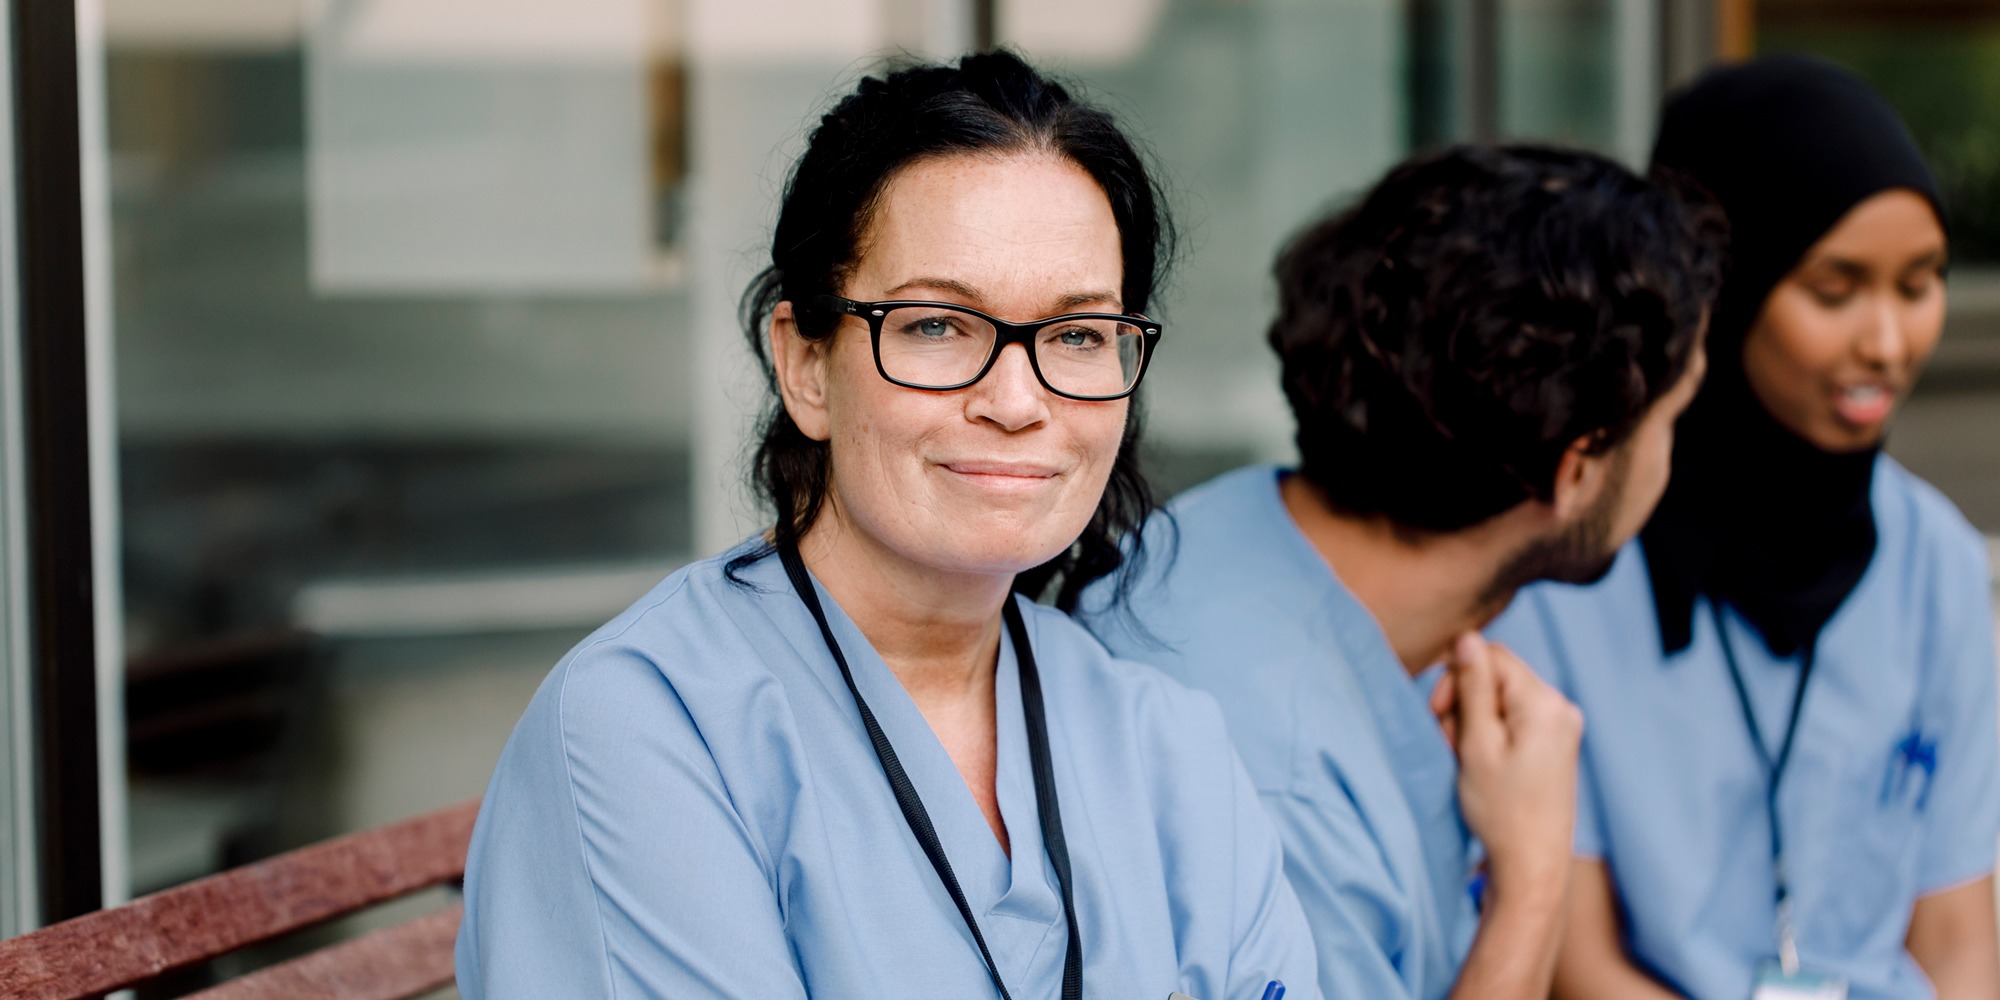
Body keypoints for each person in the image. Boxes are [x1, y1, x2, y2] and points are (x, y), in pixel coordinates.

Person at [452, 52, 1322, 1000]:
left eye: (1076, 335)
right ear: (806, 366)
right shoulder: (647, 732)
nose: (1018, 399)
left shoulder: (1161, 743)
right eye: (938, 326)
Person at [1080, 145, 1724, 1000]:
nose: (1676, 459)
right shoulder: (1273, 783)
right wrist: (1531, 881)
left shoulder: (1234, 536)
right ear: (1575, 470)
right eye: (1675, 419)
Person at [1488, 56, 2000, 1000]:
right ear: (1718, 296)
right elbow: (1577, 960)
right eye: (1836, 289)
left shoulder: (1937, 561)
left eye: (1920, 283)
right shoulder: (1571, 563)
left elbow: (1962, 944)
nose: (1888, 342)